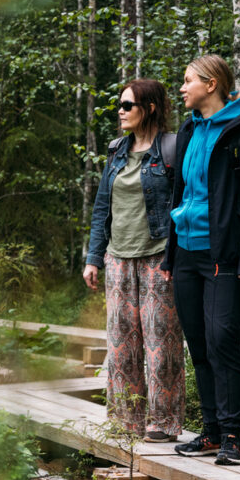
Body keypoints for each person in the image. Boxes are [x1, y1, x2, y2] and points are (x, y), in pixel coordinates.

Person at [161, 54, 240, 466]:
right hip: (187, 255)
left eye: (188, 80)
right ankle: (210, 432)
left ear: (211, 84)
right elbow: (181, 194)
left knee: (222, 340)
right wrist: (171, 254)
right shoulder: (190, 130)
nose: (182, 88)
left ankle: (232, 436)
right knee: (198, 345)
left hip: (225, 258)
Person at [83, 79, 187, 442]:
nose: (121, 112)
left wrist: (180, 255)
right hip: (117, 259)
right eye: (120, 105)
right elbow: (102, 209)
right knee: (121, 344)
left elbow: (183, 204)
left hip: (159, 256)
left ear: (150, 108)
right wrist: (94, 258)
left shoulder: (173, 148)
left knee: (162, 343)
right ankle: (126, 420)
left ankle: (163, 422)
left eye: (128, 105)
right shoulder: (116, 151)